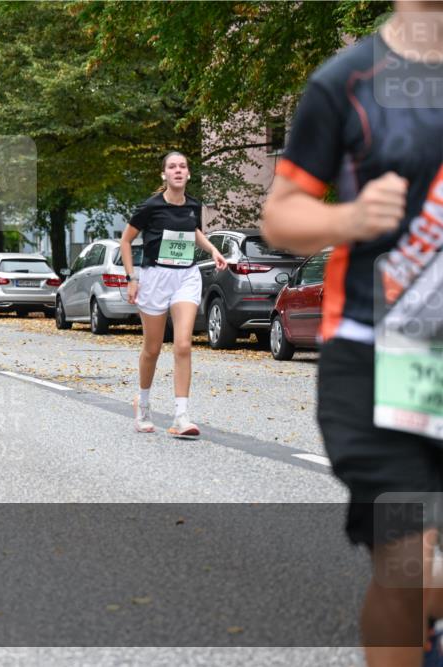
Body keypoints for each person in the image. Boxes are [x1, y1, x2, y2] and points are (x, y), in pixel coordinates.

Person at [262, 5, 442, 664]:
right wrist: (351, 218)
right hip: (376, 356)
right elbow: (280, 215)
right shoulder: (348, 80)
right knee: (406, 556)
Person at [119, 151, 226, 439]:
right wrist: (131, 278)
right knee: (152, 348)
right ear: (164, 174)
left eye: (182, 166)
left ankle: (181, 416)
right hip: (155, 277)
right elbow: (125, 241)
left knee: (183, 345)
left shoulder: (193, 205)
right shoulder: (150, 207)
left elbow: (193, 231)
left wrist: (212, 250)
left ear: (188, 174)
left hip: (185, 277)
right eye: (172, 167)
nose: (178, 170)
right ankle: (143, 405)